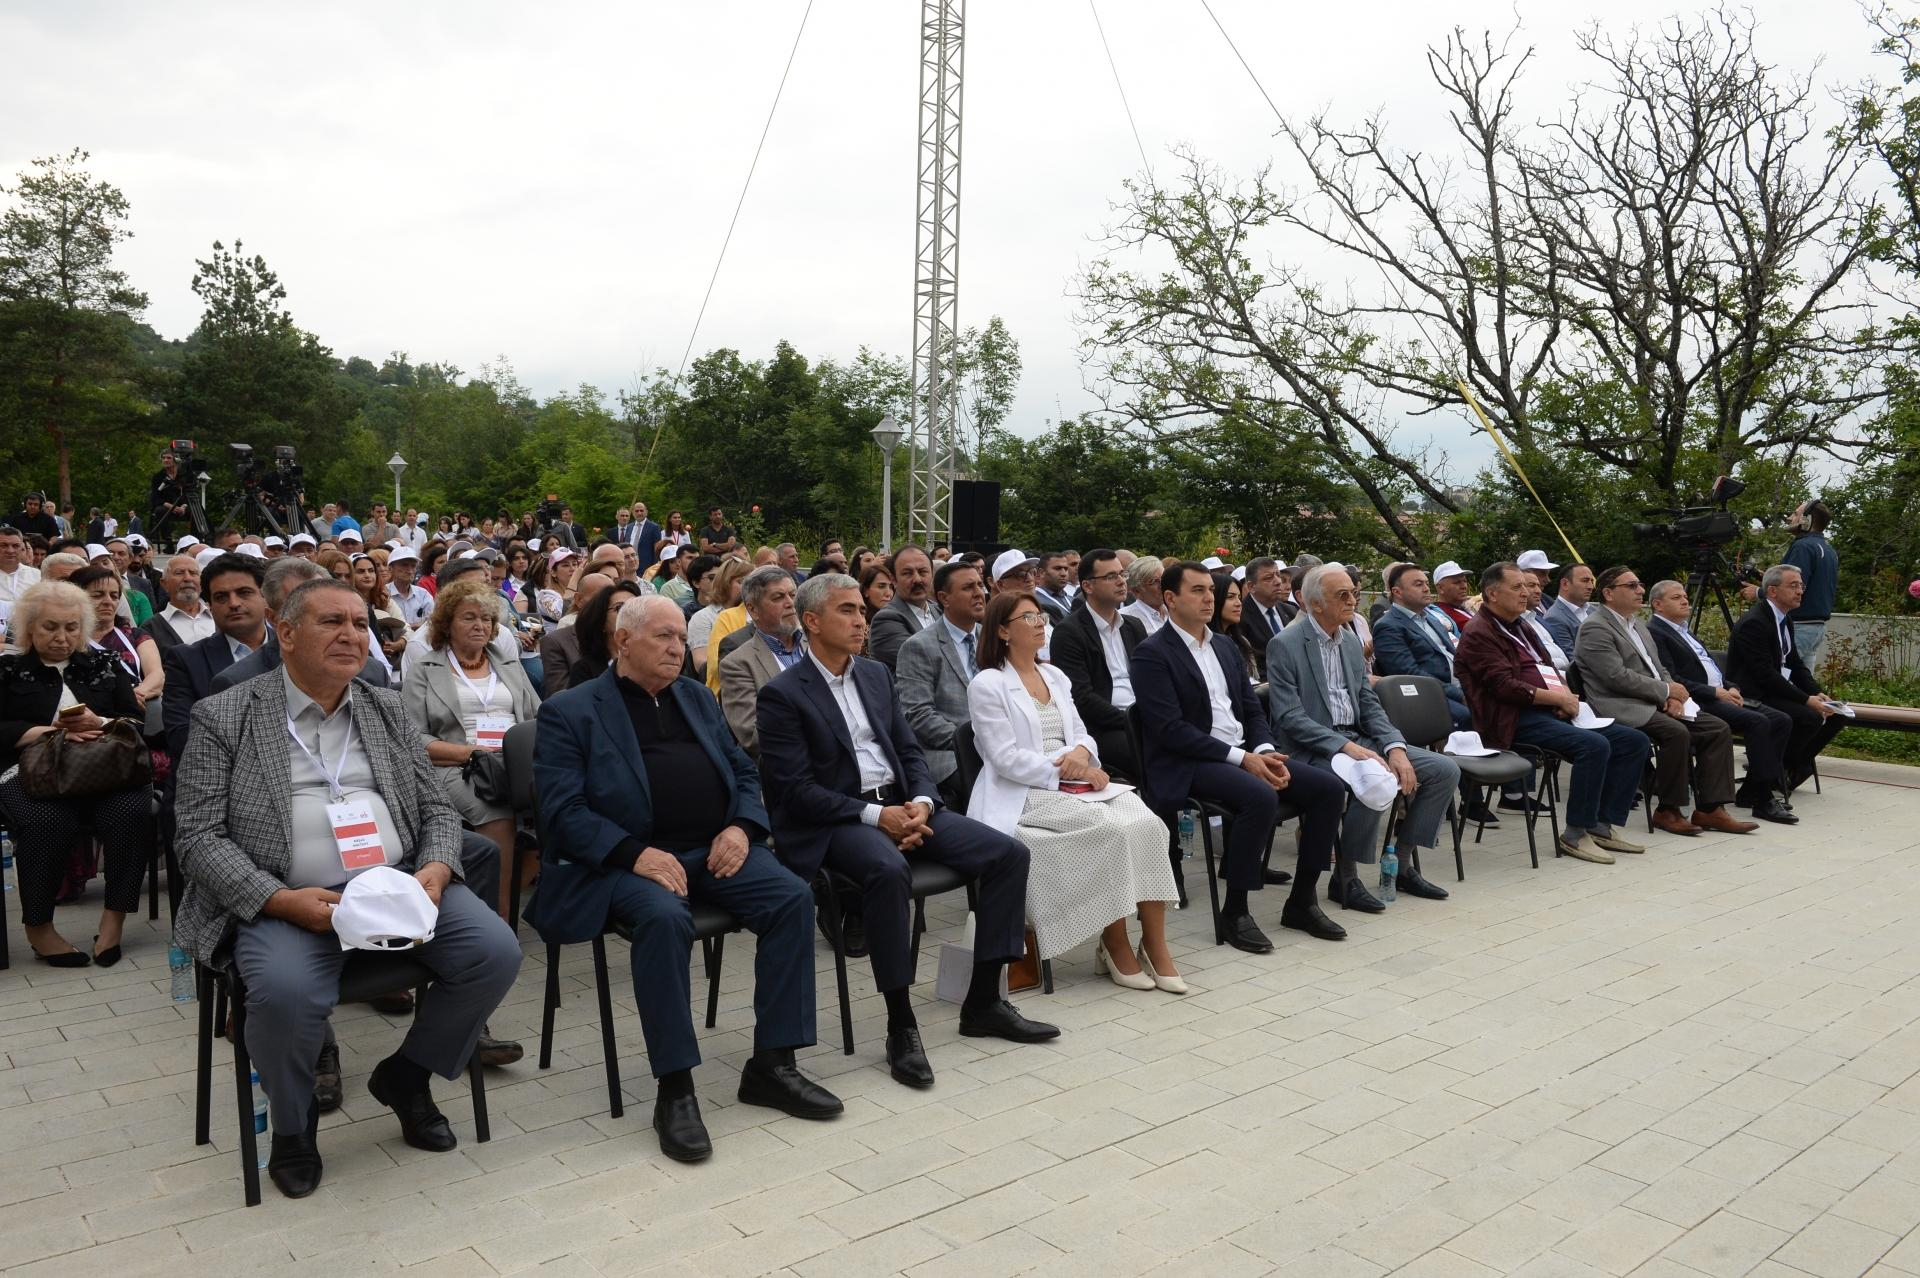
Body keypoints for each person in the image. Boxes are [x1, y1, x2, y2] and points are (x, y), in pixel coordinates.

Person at [172, 577, 522, 1198]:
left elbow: (436, 809)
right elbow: (197, 837)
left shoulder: (383, 708)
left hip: (395, 887)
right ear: (285, 633)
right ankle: (293, 1124)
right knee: (284, 993)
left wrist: (437, 868)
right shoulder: (226, 713)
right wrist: (278, 900)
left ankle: (406, 1077)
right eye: (332, 622)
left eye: (360, 624)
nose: (351, 635)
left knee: (493, 953)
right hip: (286, 898)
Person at [530, 595, 839, 1159]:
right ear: (624, 641)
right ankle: (675, 1089)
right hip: (625, 862)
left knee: (792, 897)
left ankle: (773, 1064)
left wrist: (742, 828)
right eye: (664, 637)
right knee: (664, 918)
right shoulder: (571, 711)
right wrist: (634, 854)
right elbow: (562, 812)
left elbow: (745, 773)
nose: (679, 648)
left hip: (714, 849)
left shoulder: (695, 696)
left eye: (680, 637)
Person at [756, 573, 1058, 1089]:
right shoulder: (783, 694)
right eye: (847, 610)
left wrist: (920, 802)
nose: (861, 620)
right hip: (838, 819)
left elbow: (909, 750)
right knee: (887, 870)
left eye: (861, 610)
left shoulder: (874, 674)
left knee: (1007, 854)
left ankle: (984, 1001)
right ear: (811, 622)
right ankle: (901, 1025)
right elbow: (795, 791)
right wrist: (879, 817)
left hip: (903, 805)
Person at [967, 591, 1184, 990]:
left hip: (1075, 779)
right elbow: (1004, 758)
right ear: (1002, 631)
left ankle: (1155, 945)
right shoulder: (988, 684)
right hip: (1025, 791)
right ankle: (1114, 943)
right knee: (1110, 829)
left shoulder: (1054, 676)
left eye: (1041, 615)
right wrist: (1067, 772)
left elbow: (1083, 733)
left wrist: (1083, 755)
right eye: (1028, 617)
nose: (1040, 622)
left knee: (1148, 823)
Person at [1131, 562, 1347, 952]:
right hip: (1187, 762)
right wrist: (1243, 759)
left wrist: (1264, 751)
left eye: (1209, 590)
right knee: (1259, 796)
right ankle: (1235, 911)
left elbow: (1251, 709)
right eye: (1197, 590)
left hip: (1242, 754)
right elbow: (1170, 730)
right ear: (1170, 598)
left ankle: (1302, 902)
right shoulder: (1152, 653)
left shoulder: (1224, 645)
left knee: (1328, 789)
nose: (1208, 598)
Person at [1267, 564, 1459, 913]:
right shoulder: (1286, 644)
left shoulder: (1350, 642)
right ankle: (1345, 878)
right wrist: (1346, 747)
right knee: (1373, 778)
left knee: (1443, 770)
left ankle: (1401, 865)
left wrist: (1395, 747)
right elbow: (1289, 716)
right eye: (1342, 595)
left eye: (1353, 593)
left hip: (1357, 738)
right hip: (1313, 746)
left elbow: (1368, 703)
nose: (1352, 600)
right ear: (1315, 603)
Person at [1455, 562, 1651, 864]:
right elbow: (1503, 687)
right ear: (1492, 594)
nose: (1526, 593)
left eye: (1526, 586)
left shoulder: (1520, 625)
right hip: (1511, 718)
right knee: (1593, 746)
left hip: (1547, 709)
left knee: (1633, 741)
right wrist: (1555, 698)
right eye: (1517, 587)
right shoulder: (1479, 632)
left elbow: (1546, 666)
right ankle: (1575, 834)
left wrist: (1564, 696)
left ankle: (1601, 825)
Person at [0, 581, 152, 966]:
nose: (62, 637)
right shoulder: (8, 670)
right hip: (30, 770)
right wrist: (49, 732)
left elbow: (136, 721)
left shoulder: (104, 664)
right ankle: (39, 927)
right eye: (50, 627)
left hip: (103, 769)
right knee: (46, 820)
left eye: (71, 627)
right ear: (29, 628)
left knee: (131, 810)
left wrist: (99, 722)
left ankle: (114, 919)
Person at [1573, 566, 1757, 837]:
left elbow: (1659, 668)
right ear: (1609, 593)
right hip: (1620, 703)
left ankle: (1711, 809)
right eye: (1632, 586)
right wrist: (1664, 692)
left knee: (1717, 728)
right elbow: (1615, 677)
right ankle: (1668, 810)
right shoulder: (1595, 627)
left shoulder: (1637, 624)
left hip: (1653, 698)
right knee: (1676, 732)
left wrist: (1672, 693)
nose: (1640, 590)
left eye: (1639, 584)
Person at [403, 577, 541, 918]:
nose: (480, 625)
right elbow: (410, 737)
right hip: (458, 765)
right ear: (447, 623)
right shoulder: (425, 669)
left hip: (516, 763)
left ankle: (510, 900)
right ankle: (500, 920)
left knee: (557, 809)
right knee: (497, 815)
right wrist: (470, 752)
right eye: (469, 617)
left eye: (486, 618)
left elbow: (539, 717)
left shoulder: (508, 665)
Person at [1646, 580, 1797, 824]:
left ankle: (1751, 789)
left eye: (1685, 596)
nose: (1685, 601)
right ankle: (1762, 798)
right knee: (1758, 722)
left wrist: (1731, 686)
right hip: (1697, 700)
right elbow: (1672, 678)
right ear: (1657, 604)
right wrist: (1715, 693)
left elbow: (1710, 668)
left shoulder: (1683, 630)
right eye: (1676, 598)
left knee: (1781, 720)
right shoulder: (1656, 632)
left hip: (1720, 694)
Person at [1725, 564, 1846, 795]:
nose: (1800, 591)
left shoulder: (1784, 619)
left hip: (1774, 689)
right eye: (1793, 586)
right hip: (1753, 694)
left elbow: (1795, 664)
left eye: (1801, 586)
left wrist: (1816, 693)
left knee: (1836, 715)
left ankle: (1788, 769)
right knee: (1809, 717)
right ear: (1772, 591)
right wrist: (1806, 700)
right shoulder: (1755, 622)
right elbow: (1765, 675)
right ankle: (1775, 773)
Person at [161, 554, 272, 766]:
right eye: (221, 597)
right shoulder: (186, 661)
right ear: (210, 606)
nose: (234, 603)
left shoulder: (296, 649)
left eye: (244, 592)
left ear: (264, 596)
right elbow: (182, 737)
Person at [1045, 548, 1144, 781]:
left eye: (1122, 574)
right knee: (1154, 751)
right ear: (1088, 586)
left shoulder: (1133, 626)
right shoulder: (1069, 632)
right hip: (1103, 728)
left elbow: (1151, 680)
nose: (1121, 581)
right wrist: (1134, 721)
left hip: (1143, 717)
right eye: (1111, 576)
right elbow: (1081, 698)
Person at [895, 560, 985, 802]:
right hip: (951, 754)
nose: (979, 593)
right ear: (944, 598)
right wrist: (977, 740)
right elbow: (919, 716)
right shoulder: (919, 646)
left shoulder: (991, 639)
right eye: (968, 587)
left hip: (1000, 746)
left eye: (980, 585)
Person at [717, 565, 805, 757]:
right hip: (786, 762)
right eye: (778, 597)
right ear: (753, 609)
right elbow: (752, 735)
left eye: (793, 594)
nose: (790, 603)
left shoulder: (818, 643)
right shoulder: (737, 664)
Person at [1371, 563, 1473, 727]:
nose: (1426, 589)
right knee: (1469, 715)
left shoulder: (1432, 619)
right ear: (1397, 592)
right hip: (1428, 695)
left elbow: (1456, 655)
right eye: (1418, 584)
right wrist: (1459, 695)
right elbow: (1409, 675)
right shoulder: (1388, 626)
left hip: (1461, 686)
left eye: (1426, 583)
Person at [72, 566, 163, 705]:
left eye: (114, 596)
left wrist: (132, 697)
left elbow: (156, 676)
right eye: (97, 595)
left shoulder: (136, 636)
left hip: (137, 707)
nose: (108, 601)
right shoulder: (68, 641)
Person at [1781, 499, 1838, 665]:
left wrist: (1758, 592)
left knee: (1782, 676)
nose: (1790, 518)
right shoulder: (1827, 549)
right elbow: (1810, 583)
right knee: (1803, 679)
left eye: (1795, 514)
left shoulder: (1803, 547)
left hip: (1798, 626)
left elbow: (1793, 588)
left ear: (1807, 520)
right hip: (1815, 628)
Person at [540, 571, 612, 697]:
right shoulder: (556, 642)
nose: (606, 606)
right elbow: (561, 696)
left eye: (611, 601)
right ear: (578, 599)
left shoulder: (623, 638)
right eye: (600, 599)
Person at [866, 545, 937, 670]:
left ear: (932, 575)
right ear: (893, 580)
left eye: (922, 572)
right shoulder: (885, 620)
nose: (917, 579)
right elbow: (924, 661)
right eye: (907, 573)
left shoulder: (941, 611)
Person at [567, 580, 646, 690]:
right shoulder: (585, 670)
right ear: (601, 621)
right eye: (619, 608)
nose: (629, 614)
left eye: (635, 608)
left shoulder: (654, 662)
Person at [689, 557, 750, 679]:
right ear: (724, 584)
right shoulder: (703, 617)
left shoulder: (755, 614)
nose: (747, 588)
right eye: (741, 582)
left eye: (750, 583)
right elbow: (701, 664)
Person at [1540, 563, 1596, 656]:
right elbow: (1571, 658)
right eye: (1585, 581)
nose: (1591, 586)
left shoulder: (1593, 610)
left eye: (1592, 581)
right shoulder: (1554, 618)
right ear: (1565, 584)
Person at [0, 523, 44, 634]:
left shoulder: (37, 575)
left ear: (22, 548)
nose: (10, 550)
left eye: (15, 546)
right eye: (4, 545)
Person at [385, 547, 433, 627]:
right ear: (390, 568)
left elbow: (432, 622)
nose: (410, 571)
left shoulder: (423, 594)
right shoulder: (382, 593)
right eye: (404, 565)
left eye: (413, 566)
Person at [148, 451, 191, 540]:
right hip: (166, 507)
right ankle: (168, 541)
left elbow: (189, 492)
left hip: (183, 506)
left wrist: (183, 506)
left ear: (176, 460)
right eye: (163, 458)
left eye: (168, 458)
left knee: (197, 510)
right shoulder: (158, 477)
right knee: (159, 511)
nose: (165, 460)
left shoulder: (183, 475)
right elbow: (155, 497)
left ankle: (196, 540)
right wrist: (172, 507)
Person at [1120, 555, 1167, 634]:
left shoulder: (1177, 611)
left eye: (1164, 578)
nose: (1163, 584)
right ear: (1136, 591)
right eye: (1154, 581)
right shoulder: (1124, 618)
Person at [1431, 560, 1475, 633]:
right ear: (1440, 588)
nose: (1464, 586)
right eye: (1457, 582)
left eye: (1464, 581)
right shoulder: (1441, 616)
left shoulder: (1461, 608)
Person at [1032, 553, 1074, 623]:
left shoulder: (1073, 599)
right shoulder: (1033, 601)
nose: (1063, 573)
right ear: (1041, 572)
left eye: (1066, 569)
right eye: (1058, 568)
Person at [859, 562, 895, 628]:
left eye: (891, 587)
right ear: (865, 591)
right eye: (881, 586)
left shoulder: (897, 618)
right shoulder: (859, 623)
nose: (888, 593)